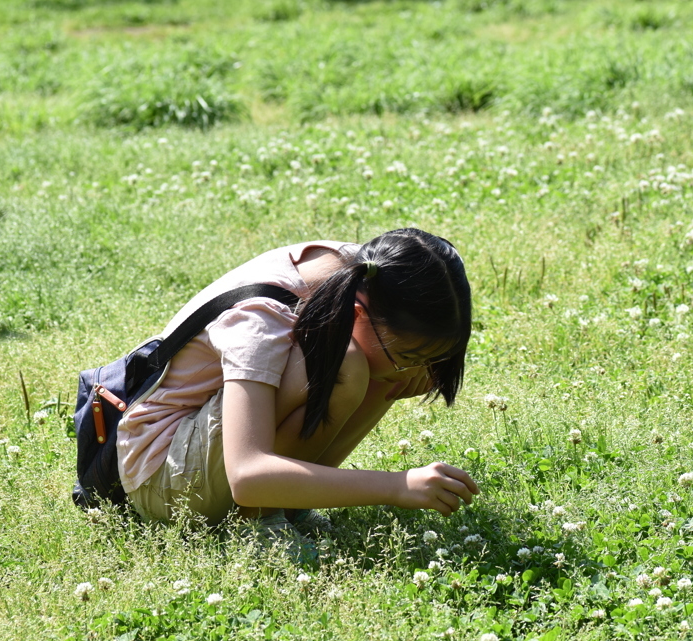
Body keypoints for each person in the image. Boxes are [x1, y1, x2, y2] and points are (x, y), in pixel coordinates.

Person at [115, 228, 479, 553]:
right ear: (357, 314)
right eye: (407, 357)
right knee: (346, 363)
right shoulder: (260, 322)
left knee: (361, 364)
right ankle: (258, 524)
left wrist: (398, 370)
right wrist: (396, 485)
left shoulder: (368, 275)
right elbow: (247, 474)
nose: (417, 374)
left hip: (208, 460)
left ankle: (287, 506)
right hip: (164, 478)